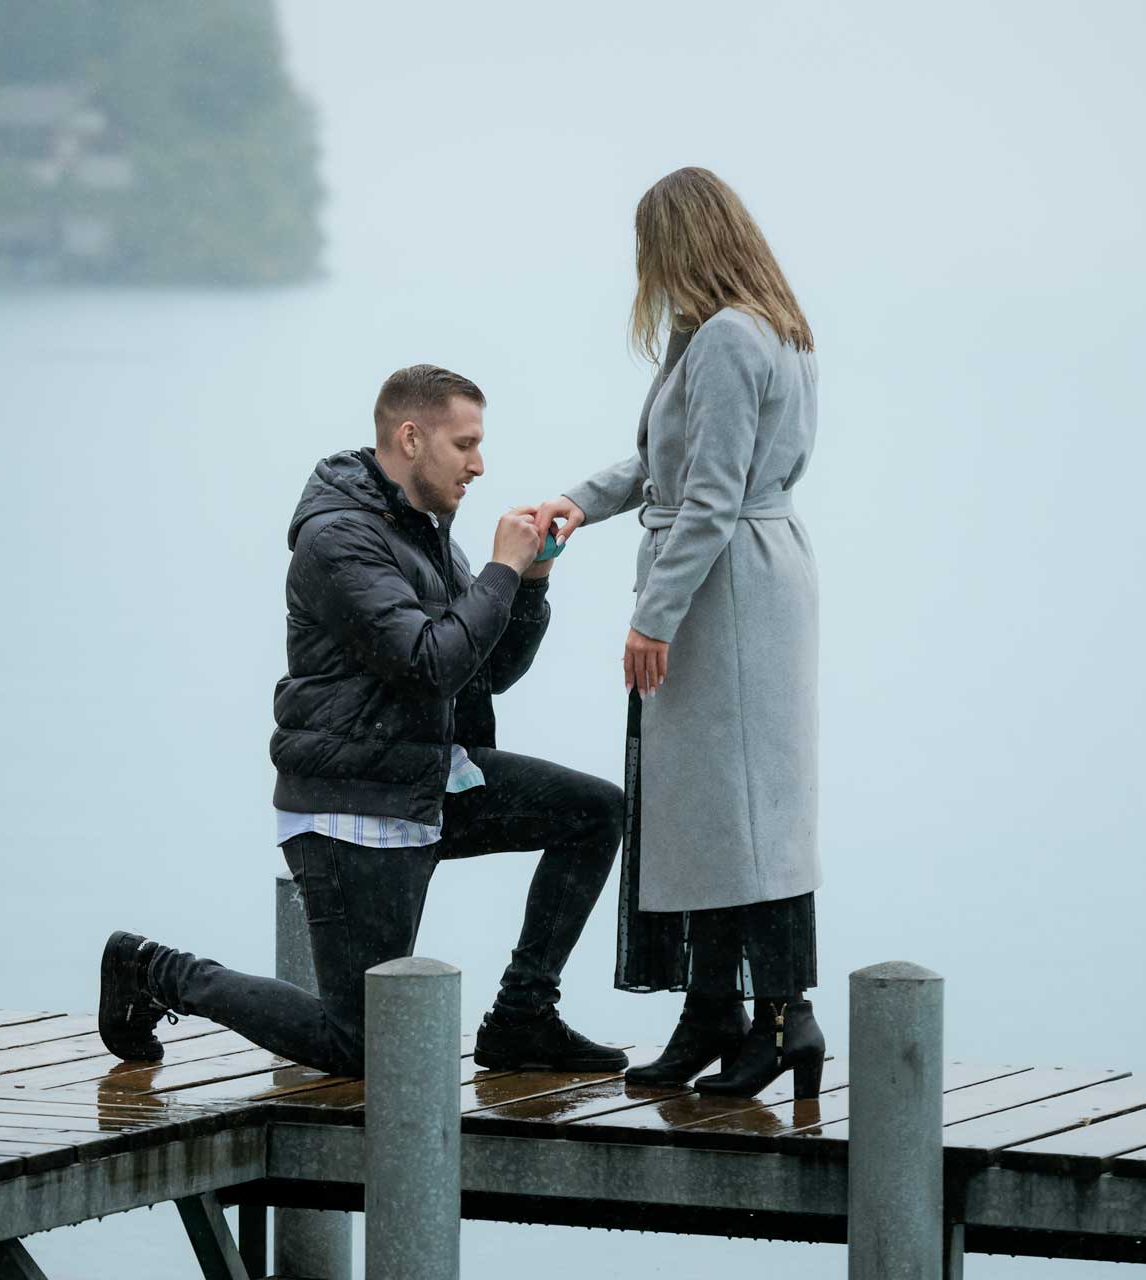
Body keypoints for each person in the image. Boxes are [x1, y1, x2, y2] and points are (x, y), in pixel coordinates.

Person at [99, 364, 627, 1078]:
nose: (479, 464)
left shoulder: (424, 532)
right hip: (354, 805)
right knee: (361, 1045)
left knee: (594, 812)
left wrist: (529, 585)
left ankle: (523, 1016)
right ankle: (153, 969)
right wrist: (502, 572)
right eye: (465, 444)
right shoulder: (338, 539)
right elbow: (428, 663)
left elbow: (486, 671)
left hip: (427, 780)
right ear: (411, 439)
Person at [534, 166, 824, 1098]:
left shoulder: (732, 339)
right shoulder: (732, 331)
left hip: (725, 588)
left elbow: (709, 496)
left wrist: (651, 616)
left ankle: (780, 1018)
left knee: (745, 817)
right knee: (710, 814)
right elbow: (669, 463)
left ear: (681, 243)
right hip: (740, 576)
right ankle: (715, 1011)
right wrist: (581, 501)